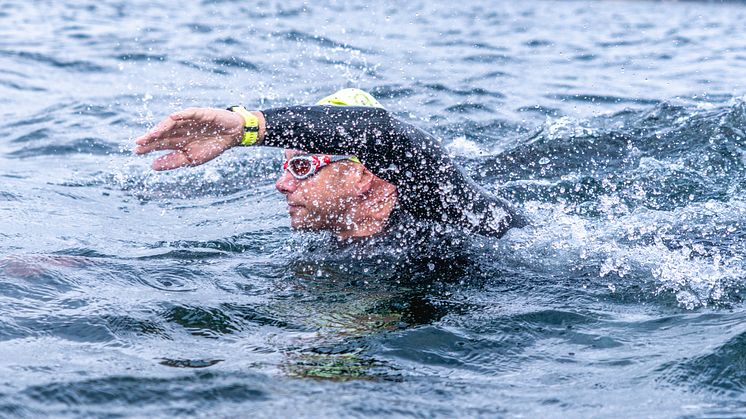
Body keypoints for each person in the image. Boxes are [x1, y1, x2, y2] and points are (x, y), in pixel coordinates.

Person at [134, 89, 526, 240]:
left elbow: (389, 135)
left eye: (302, 167)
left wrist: (246, 127)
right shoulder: (331, 238)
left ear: (361, 171)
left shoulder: (444, 210)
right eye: (286, 167)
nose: (282, 185)